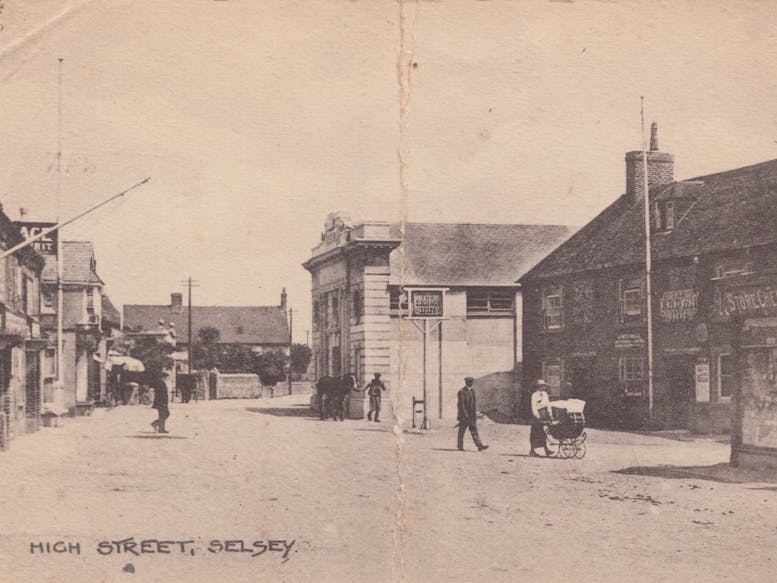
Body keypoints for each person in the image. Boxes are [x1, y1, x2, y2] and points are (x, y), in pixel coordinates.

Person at [457, 377, 489, 452]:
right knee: (461, 431)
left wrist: (475, 414)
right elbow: (461, 405)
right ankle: (460, 446)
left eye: (471, 382)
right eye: (469, 382)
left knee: (474, 430)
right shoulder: (462, 392)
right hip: (464, 416)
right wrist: (465, 415)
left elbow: (473, 404)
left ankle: (479, 445)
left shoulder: (472, 391)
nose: (470, 383)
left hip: (471, 416)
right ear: (466, 382)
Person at [529, 379, 553, 457]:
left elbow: (548, 404)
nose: (543, 387)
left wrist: (550, 414)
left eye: (544, 386)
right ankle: (532, 450)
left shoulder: (545, 394)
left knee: (543, 432)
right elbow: (534, 407)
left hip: (544, 414)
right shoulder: (534, 395)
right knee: (535, 433)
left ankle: (546, 449)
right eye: (542, 386)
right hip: (537, 415)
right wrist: (537, 416)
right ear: (538, 387)